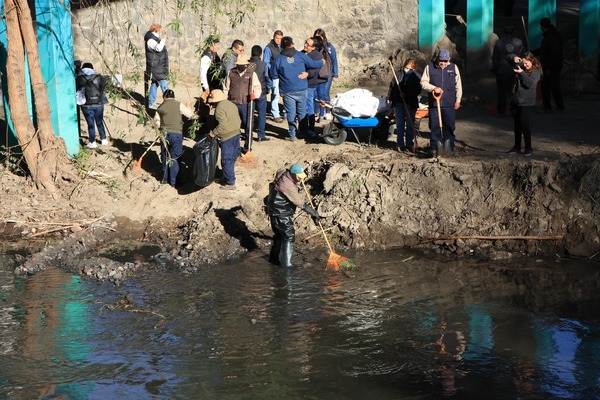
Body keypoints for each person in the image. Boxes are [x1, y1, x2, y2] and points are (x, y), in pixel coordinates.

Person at [271, 36, 324, 141]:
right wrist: (322, 62)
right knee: (302, 112)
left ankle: (292, 135)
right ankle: (303, 132)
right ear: (292, 44)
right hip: (302, 88)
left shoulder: (278, 60)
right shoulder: (301, 56)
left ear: (282, 46)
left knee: (291, 113)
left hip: (287, 91)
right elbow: (313, 64)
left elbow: (273, 75)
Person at [267, 163, 320, 268]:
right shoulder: (288, 186)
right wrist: (314, 213)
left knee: (279, 235)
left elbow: (280, 171)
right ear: (292, 174)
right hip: (280, 212)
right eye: (299, 177)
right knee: (289, 236)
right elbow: (299, 203)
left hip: (274, 209)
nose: (300, 179)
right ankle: (287, 265)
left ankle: (273, 260)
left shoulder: (283, 173)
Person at [420, 48, 463, 157]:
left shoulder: (453, 68)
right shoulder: (429, 68)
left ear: (448, 59)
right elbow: (423, 82)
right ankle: (434, 148)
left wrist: (458, 100)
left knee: (449, 126)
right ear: (437, 58)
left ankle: (450, 147)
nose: (443, 63)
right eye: (441, 60)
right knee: (434, 127)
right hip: (435, 103)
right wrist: (434, 88)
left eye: (445, 61)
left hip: (449, 103)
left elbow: (458, 85)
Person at [154, 89, 195, 187]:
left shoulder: (160, 107)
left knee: (165, 156)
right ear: (174, 96)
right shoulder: (179, 104)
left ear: (164, 97)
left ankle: (165, 179)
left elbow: (157, 123)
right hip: (176, 134)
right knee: (175, 157)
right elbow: (190, 115)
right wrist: (189, 107)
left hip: (164, 134)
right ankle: (174, 182)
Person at [223, 54, 261, 151]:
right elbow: (226, 88)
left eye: (243, 64)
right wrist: (224, 100)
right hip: (233, 103)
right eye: (240, 64)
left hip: (246, 103)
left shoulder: (251, 74)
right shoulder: (231, 73)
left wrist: (255, 95)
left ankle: (247, 146)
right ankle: (234, 145)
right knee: (234, 125)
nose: (242, 66)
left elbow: (257, 87)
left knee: (248, 125)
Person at [506, 52, 542, 156]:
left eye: (527, 63)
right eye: (524, 63)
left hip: (527, 102)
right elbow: (507, 58)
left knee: (524, 124)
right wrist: (514, 58)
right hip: (516, 100)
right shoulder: (521, 66)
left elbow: (529, 84)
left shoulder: (536, 71)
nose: (525, 65)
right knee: (517, 125)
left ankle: (528, 148)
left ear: (532, 61)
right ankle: (517, 147)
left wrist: (521, 73)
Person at [207, 89, 241, 190]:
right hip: (236, 133)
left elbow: (222, 124)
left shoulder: (219, 109)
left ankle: (230, 182)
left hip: (228, 137)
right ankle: (226, 175)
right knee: (232, 156)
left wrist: (213, 133)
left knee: (226, 159)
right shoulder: (231, 104)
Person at [387, 58, 422, 153]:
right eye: (406, 68)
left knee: (410, 125)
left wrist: (406, 94)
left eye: (410, 69)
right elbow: (392, 85)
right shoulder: (398, 74)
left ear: (414, 69)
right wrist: (390, 97)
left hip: (410, 103)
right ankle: (400, 144)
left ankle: (410, 144)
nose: (407, 70)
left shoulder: (417, 77)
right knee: (400, 124)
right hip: (399, 103)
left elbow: (417, 90)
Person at [491, 25, 524, 117]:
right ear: (513, 31)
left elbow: (495, 58)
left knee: (502, 93)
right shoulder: (519, 42)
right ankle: (515, 110)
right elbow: (522, 57)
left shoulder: (499, 42)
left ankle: (502, 112)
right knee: (514, 91)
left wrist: (494, 69)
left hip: (502, 71)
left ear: (503, 32)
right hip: (515, 71)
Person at [75, 62, 108, 149]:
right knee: (99, 121)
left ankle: (92, 142)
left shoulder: (80, 78)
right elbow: (104, 88)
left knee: (90, 124)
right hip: (99, 104)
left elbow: (76, 90)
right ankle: (103, 139)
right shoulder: (99, 77)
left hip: (87, 105)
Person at [537, 17, 564, 112]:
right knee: (547, 86)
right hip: (550, 66)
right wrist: (533, 53)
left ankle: (557, 106)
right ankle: (549, 106)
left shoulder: (552, 36)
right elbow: (544, 50)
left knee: (552, 86)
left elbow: (554, 53)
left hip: (552, 67)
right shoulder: (549, 35)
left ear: (542, 26)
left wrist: (549, 68)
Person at [300, 36, 324, 138]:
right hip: (301, 84)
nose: (305, 45)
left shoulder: (317, 56)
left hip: (310, 85)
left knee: (309, 107)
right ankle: (303, 129)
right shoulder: (302, 53)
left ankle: (311, 129)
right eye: (305, 42)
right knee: (302, 108)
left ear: (313, 47)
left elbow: (315, 70)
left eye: (308, 44)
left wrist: (307, 73)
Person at [249, 45, 272, 142]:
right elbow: (267, 78)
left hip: (250, 92)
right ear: (261, 54)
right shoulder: (264, 65)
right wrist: (268, 88)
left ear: (251, 53)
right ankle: (261, 135)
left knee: (250, 114)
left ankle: (249, 133)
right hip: (261, 91)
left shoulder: (247, 64)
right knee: (262, 114)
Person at [314, 28, 338, 122]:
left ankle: (327, 111)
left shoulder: (329, 47)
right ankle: (318, 112)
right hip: (316, 74)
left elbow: (334, 60)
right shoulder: (314, 47)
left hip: (327, 73)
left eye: (320, 37)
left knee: (325, 93)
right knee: (316, 94)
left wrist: (335, 74)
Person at [144, 23, 169, 109]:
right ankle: (169, 101)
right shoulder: (150, 40)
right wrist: (164, 39)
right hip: (155, 66)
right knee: (163, 82)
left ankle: (151, 101)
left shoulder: (154, 38)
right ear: (156, 30)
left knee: (155, 83)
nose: (161, 31)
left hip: (159, 65)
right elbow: (158, 48)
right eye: (160, 30)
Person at [264, 30, 284, 123]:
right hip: (274, 75)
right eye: (277, 38)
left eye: (280, 38)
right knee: (275, 94)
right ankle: (275, 114)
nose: (278, 40)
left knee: (284, 93)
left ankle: (285, 112)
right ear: (273, 37)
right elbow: (266, 62)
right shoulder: (269, 48)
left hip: (283, 75)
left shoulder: (283, 47)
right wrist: (272, 71)